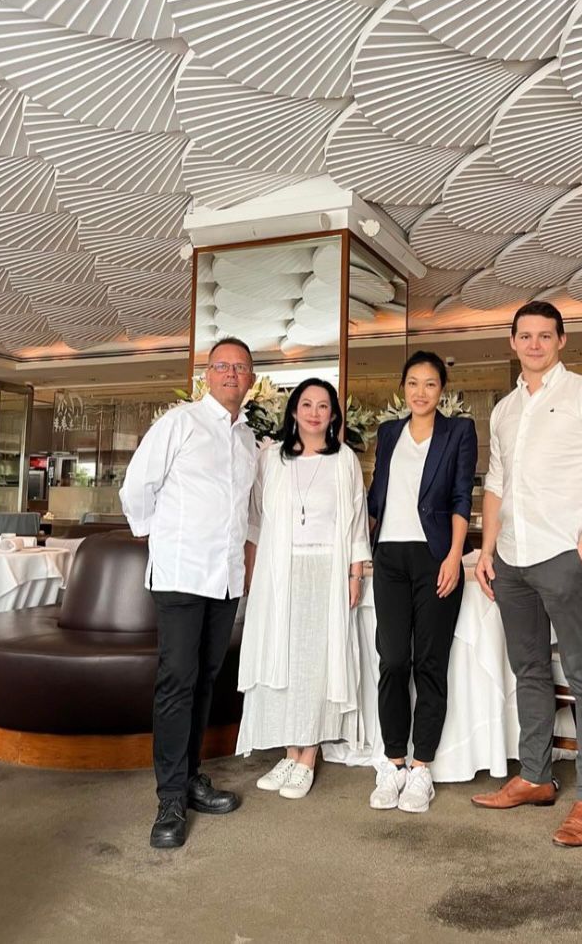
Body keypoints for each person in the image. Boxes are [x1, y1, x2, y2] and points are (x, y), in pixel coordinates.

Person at [471, 302, 582, 847]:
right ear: (512, 342)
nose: (535, 344)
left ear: (562, 340)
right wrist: (488, 550)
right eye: (525, 336)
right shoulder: (504, 410)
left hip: (566, 558)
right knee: (530, 672)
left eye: (545, 335)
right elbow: (496, 486)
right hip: (511, 560)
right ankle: (536, 777)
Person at [120, 337, 257, 849]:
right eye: (222, 366)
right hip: (181, 574)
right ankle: (170, 798)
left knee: (206, 679)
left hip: (223, 580)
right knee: (178, 680)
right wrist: (164, 536)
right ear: (206, 374)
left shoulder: (247, 441)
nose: (231, 374)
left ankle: (192, 775)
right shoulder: (178, 424)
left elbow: (247, 513)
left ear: (250, 379)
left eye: (240, 368)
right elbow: (137, 488)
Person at [237, 378, 370, 799]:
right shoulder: (271, 458)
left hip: (325, 572)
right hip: (279, 572)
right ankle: (288, 751)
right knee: (282, 662)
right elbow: (256, 519)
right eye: (307, 404)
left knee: (315, 662)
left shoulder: (344, 459)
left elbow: (356, 522)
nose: (315, 412)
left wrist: (355, 574)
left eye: (323, 406)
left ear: (333, 415)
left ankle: (308, 755)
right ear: (293, 411)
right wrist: (253, 572)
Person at [367, 351, 478, 813]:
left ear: (441, 390)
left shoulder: (459, 431)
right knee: (393, 660)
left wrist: (454, 556)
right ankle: (393, 762)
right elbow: (377, 496)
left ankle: (421, 769)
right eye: (413, 383)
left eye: (430, 384)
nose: (420, 392)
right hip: (389, 556)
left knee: (429, 663)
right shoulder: (389, 433)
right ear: (403, 387)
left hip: (435, 556)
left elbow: (459, 498)